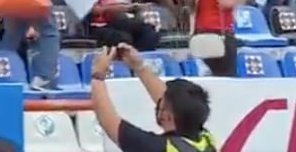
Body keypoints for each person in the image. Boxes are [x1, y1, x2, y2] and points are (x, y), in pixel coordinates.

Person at [89, 44, 217, 152]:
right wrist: (139, 67)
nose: (159, 103)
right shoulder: (206, 141)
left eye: (162, 105)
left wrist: (98, 75)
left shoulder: (156, 147)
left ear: (167, 117)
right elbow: (174, 103)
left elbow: (109, 121)